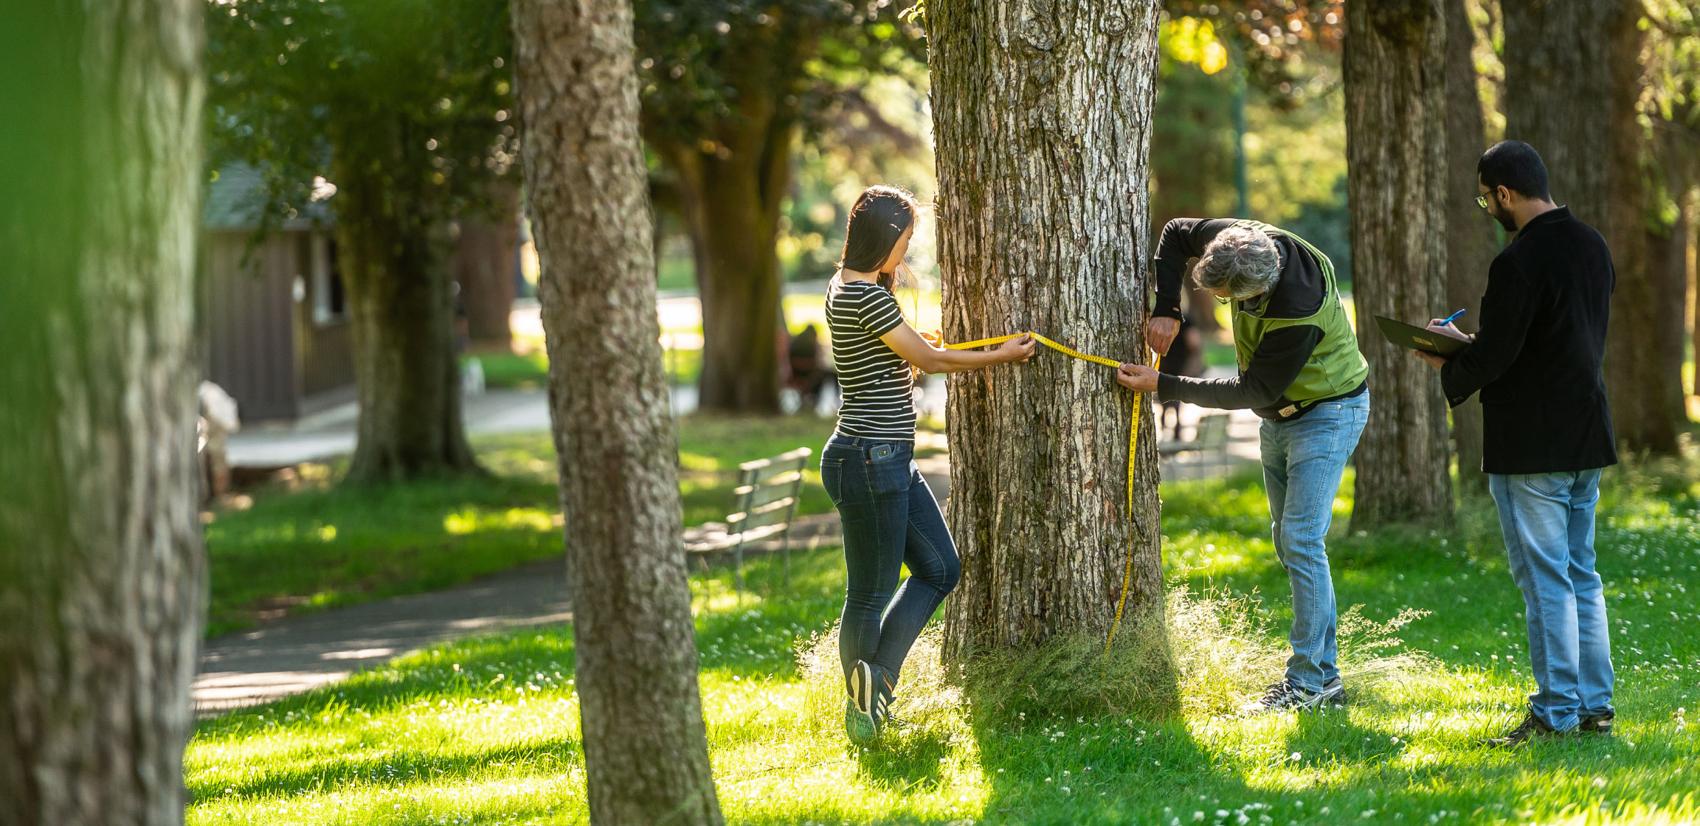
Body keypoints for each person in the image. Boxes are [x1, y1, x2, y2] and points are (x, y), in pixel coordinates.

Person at [1116, 217, 1370, 714]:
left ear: (1262, 287)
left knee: (1300, 540)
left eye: (1233, 300)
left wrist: (1163, 385)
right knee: (1291, 540)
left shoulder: (1297, 307)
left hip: (1327, 411)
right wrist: (1168, 306)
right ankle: (1326, 679)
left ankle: (1307, 684)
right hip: (1280, 415)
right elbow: (1173, 234)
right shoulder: (1236, 237)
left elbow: (1253, 390)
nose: (1228, 307)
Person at [1414, 140, 1617, 747]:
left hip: (1532, 444)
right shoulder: (1593, 245)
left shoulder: (1518, 260)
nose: (1487, 209)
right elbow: (1552, 339)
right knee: (1582, 574)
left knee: (1545, 579)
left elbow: (1499, 355)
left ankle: (1555, 711)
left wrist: (1445, 354)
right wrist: (1477, 344)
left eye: (1486, 198)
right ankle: (1594, 707)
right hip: (1585, 432)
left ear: (1505, 192)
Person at [821, 185, 1035, 744]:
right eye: (907, 239)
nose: (907, 251)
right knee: (868, 593)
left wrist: (916, 343)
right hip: (871, 458)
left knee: (941, 568)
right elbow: (931, 361)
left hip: (883, 456)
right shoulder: (866, 297)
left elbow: (898, 350)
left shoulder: (845, 285)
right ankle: (864, 713)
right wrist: (1003, 356)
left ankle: (876, 683)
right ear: (887, 238)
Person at [1158, 315, 1204, 441]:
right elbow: (1194, 343)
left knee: (1166, 400)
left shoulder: (1160, 318)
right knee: (1175, 400)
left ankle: (1169, 431)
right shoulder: (1186, 320)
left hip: (1166, 365)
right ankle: (1175, 431)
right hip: (1178, 367)